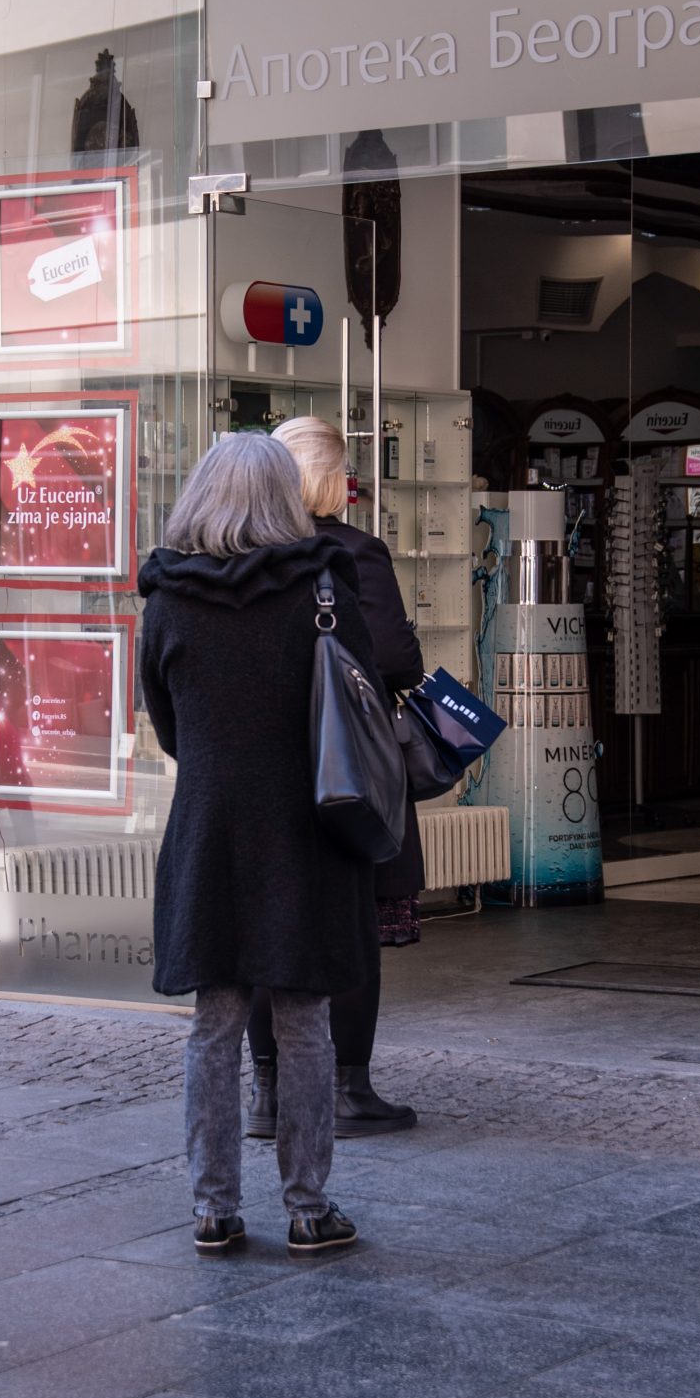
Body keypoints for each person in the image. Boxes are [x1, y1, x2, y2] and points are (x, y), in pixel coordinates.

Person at [139, 432, 377, 1258]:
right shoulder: (321, 587)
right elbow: (361, 696)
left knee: (214, 1023)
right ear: (284, 497)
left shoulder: (168, 596)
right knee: (305, 1020)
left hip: (209, 826)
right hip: (302, 827)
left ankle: (213, 1208)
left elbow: (167, 724)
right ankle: (309, 1207)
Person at [246, 416, 420, 1139]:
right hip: (342, 764)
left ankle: (267, 1094)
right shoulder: (353, 552)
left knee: (267, 926)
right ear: (330, 481)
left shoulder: (247, 553)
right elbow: (395, 660)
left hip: (266, 765)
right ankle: (349, 1088)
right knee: (353, 920)